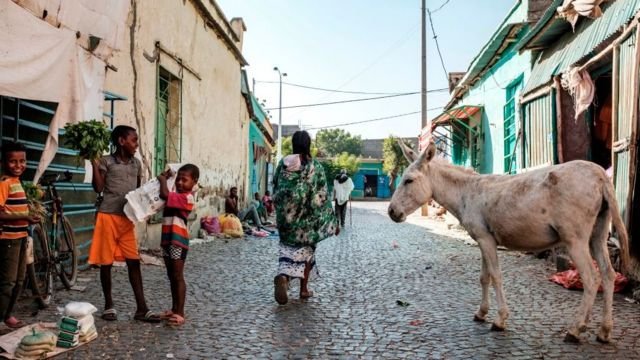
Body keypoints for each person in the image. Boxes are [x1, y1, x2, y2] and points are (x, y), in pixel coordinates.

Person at [88, 125, 160, 323]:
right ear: (121, 141)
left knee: (133, 261)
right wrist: (94, 165)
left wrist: (144, 208)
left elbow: (137, 192)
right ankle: (109, 305)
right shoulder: (106, 161)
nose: (136, 144)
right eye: (134, 140)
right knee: (106, 262)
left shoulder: (136, 164)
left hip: (127, 219)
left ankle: (141, 308)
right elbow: (98, 188)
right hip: (107, 216)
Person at [272, 130, 338, 305]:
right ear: (308, 145)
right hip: (307, 222)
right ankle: (303, 289)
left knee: (287, 250)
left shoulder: (283, 164)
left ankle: (283, 276)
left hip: (286, 220)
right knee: (307, 253)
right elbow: (323, 196)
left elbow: (275, 186)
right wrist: (332, 221)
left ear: (294, 144)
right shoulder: (315, 167)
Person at [0, 142, 40, 329]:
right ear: (4, 162)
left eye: (22, 161)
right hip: (8, 239)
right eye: (13, 162)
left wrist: (28, 219)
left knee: (20, 279)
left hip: (21, 236)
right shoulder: (4, 183)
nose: (18, 165)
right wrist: (24, 215)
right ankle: (2, 317)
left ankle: (8, 314)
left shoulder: (18, 183)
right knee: (7, 281)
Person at [157, 164, 199, 326]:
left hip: (178, 241)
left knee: (177, 276)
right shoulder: (176, 194)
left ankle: (180, 312)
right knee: (171, 276)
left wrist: (162, 180)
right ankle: (174, 309)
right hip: (168, 239)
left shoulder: (187, 198)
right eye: (178, 179)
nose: (180, 183)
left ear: (194, 182)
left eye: (184, 180)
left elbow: (164, 193)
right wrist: (166, 176)